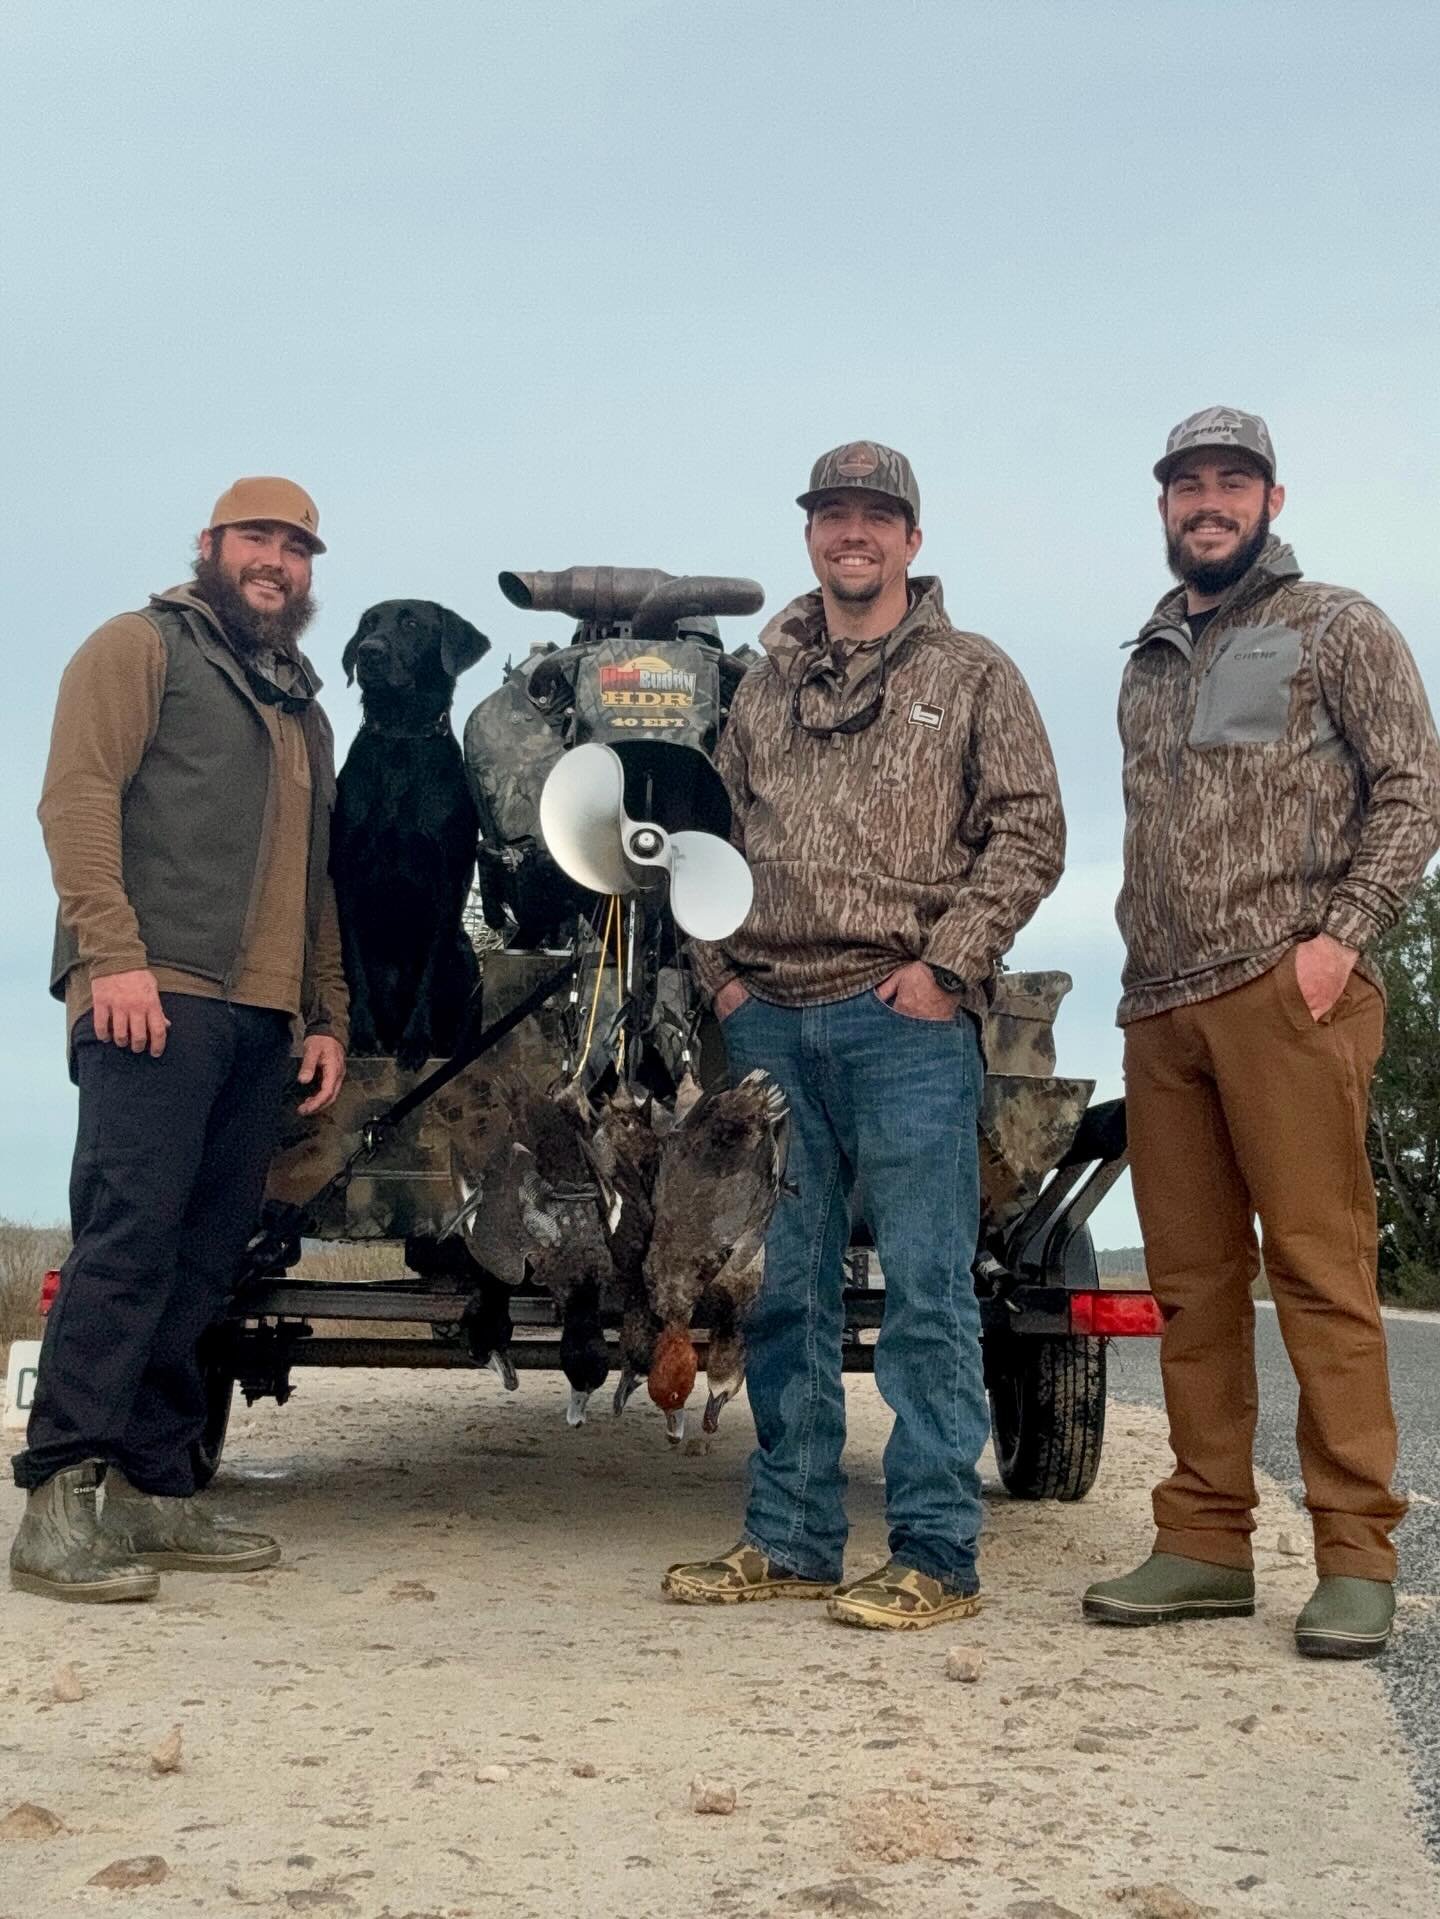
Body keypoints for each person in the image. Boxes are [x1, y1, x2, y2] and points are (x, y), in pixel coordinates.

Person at [664, 441, 1065, 1628]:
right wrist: (721, 979)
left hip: (905, 1026)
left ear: (910, 539)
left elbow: (1031, 829)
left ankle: (937, 1552)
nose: (854, 534)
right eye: (833, 514)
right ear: (810, 535)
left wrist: (946, 969)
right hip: (769, 1029)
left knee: (930, 1293)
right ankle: (791, 1536)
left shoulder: (975, 673)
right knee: (784, 1294)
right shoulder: (760, 689)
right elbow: (702, 837)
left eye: (876, 517)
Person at [1083, 408, 1440, 1658]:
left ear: (1272, 500)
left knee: (1319, 1271)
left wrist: (1340, 938)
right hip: (1160, 1003)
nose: (1210, 502)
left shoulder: (1335, 624)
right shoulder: (1147, 660)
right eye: (1189, 484)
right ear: (1164, 504)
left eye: (1233, 482)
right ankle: (1203, 1541)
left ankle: (1355, 1555)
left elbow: (1414, 785)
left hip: (1287, 991)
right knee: (1190, 1287)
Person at [10, 477, 350, 1604]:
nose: (277, 561)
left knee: (206, 1260)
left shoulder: (303, 707)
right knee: (127, 1242)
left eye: (297, 547)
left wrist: (324, 1013)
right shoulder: (139, 646)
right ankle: (59, 1496)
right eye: (258, 538)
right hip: (150, 996)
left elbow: (317, 882)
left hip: (262, 1018)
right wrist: (112, 957)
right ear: (210, 544)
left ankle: (152, 1486)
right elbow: (76, 799)